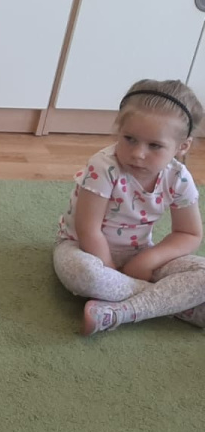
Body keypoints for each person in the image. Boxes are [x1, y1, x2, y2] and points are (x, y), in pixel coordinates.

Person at [53, 79, 205, 335]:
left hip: (139, 252)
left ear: (182, 147)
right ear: (119, 129)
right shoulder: (103, 166)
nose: (137, 153)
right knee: (85, 275)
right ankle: (175, 304)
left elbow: (189, 234)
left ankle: (120, 312)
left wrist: (147, 260)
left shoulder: (178, 177)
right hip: (83, 249)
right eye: (130, 139)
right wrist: (111, 269)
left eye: (154, 145)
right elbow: (88, 230)